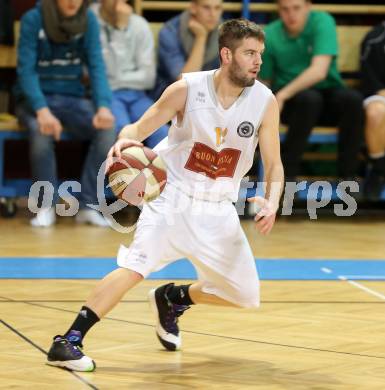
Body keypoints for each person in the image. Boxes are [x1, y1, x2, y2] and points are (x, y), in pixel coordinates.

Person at [46, 18, 284, 372]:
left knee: (244, 295)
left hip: (218, 209)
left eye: (259, 54)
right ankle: (67, 341)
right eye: (249, 53)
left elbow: (274, 164)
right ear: (226, 54)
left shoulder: (265, 101)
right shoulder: (187, 89)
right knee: (134, 267)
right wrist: (125, 141)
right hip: (171, 199)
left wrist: (273, 199)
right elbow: (137, 127)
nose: (257, 61)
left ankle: (174, 298)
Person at [14, 0, 115, 227]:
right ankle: (46, 205)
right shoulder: (33, 19)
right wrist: (41, 110)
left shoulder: (88, 20)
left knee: (108, 131)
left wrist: (103, 106)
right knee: (42, 135)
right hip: (34, 99)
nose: (72, 1)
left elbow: (97, 65)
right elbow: (26, 70)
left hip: (73, 97)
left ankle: (88, 205)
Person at [259, 0, 364, 182]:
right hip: (295, 105)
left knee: (353, 100)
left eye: (297, 8)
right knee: (310, 99)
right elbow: (264, 80)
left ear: (308, 6)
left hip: (321, 93)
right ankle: (286, 177)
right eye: (285, 9)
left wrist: (282, 95)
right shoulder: (270, 33)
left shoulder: (322, 21)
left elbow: (319, 71)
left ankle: (348, 178)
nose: (291, 14)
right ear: (278, 10)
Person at [91, 0, 168, 148]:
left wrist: (117, 78)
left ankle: (161, 172)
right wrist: (119, 29)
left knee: (163, 135)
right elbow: (105, 72)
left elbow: (148, 78)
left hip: (138, 95)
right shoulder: (91, 22)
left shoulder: (139, 24)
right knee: (124, 138)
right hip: (107, 94)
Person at [152, 0, 223, 100]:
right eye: (206, 8)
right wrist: (201, 38)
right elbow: (184, 81)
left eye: (217, 8)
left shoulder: (225, 31)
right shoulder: (170, 32)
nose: (213, 14)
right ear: (193, 8)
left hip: (211, 92)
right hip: (171, 94)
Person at [360, 22, 385, 201]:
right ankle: (378, 169)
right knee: (376, 113)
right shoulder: (374, 39)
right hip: (379, 94)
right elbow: (371, 80)